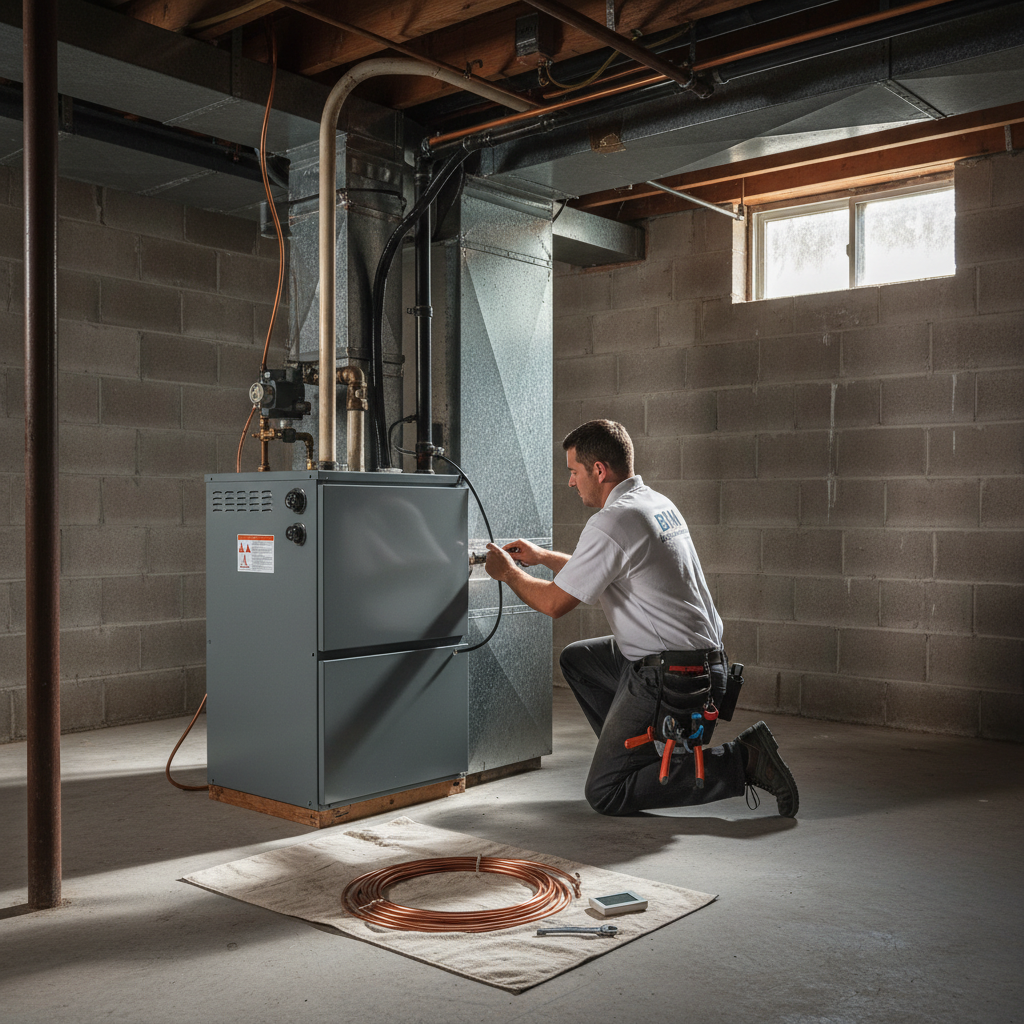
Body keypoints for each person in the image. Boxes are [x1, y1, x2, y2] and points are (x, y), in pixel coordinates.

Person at [484, 419, 799, 818]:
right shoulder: (653, 503)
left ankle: (742, 761)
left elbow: (554, 604)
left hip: (675, 677)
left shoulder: (612, 520)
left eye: (573, 472)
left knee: (605, 792)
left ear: (598, 470)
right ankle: (639, 756)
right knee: (578, 660)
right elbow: (605, 571)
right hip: (703, 665)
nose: (570, 482)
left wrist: (507, 573)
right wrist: (543, 558)